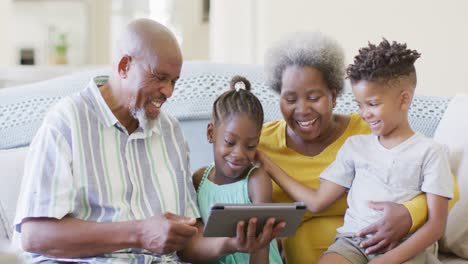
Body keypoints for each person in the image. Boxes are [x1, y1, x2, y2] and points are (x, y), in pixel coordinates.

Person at [13, 18, 283, 263]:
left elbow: (187, 244)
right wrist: (139, 233)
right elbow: (35, 236)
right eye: (160, 77)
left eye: (174, 81)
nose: (168, 91)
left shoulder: (170, 133)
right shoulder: (66, 122)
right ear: (124, 66)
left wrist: (230, 243)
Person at [258, 31, 459, 263]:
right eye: (291, 99)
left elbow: (443, 206)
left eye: (313, 97)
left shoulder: (416, 147)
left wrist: (409, 214)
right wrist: (265, 162)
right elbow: (315, 201)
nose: (302, 109)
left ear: (333, 96)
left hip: (402, 243)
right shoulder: (258, 143)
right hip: (351, 243)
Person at [193, 76, 283, 264]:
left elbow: (262, 244)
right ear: (211, 133)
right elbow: (197, 244)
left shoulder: (256, 180)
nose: (239, 154)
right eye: (230, 142)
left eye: (250, 146)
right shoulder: (199, 179)